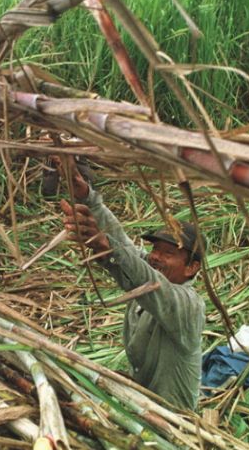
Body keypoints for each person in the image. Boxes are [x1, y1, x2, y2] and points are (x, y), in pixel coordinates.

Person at [57, 157, 205, 410]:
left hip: (173, 422)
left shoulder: (188, 306)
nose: (156, 257)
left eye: (169, 253)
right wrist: (88, 197)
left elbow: (144, 276)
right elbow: (127, 251)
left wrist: (106, 245)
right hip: (141, 408)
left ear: (192, 267)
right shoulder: (147, 275)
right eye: (155, 249)